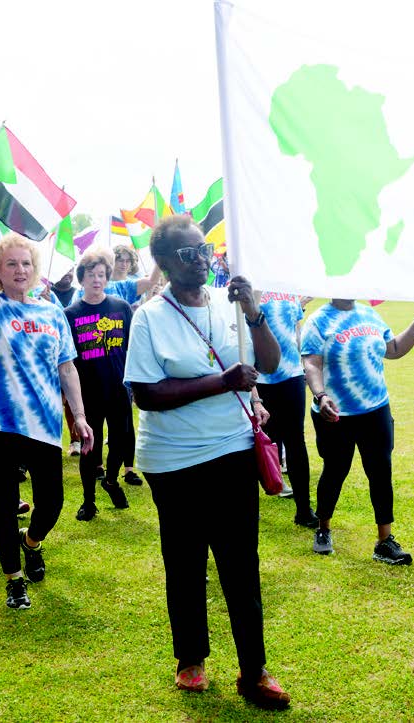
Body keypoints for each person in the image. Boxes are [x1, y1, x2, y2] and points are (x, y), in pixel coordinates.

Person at [124, 215, 289, 710]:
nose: (201, 260)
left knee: (241, 564)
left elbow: (272, 363)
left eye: (204, 250)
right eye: (188, 254)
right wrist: (224, 382)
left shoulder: (229, 302)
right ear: (165, 264)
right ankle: (191, 657)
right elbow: (147, 395)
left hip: (233, 449)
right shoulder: (149, 317)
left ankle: (254, 670)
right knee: (185, 560)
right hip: (172, 461)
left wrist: (255, 312)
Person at [0, 185, 93, 611]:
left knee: (52, 502)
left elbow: (67, 367)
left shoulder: (52, 313)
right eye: (11, 264)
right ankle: (13, 579)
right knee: (3, 506)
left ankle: (33, 541)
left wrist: (79, 416)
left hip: (45, 421)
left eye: (26, 263)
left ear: (35, 269)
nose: (20, 269)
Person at [300, 298, 414, 565]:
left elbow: (395, 348)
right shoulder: (318, 321)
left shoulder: (368, 314)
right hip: (335, 413)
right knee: (335, 470)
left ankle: (384, 542)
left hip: (375, 409)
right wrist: (321, 396)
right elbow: (312, 365)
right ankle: (323, 529)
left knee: (380, 472)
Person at [65, 248, 135, 518]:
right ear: (81, 278)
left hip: (119, 390)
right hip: (88, 394)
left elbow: (131, 349)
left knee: (119, 442)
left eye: (102, 275)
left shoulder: (121, 308)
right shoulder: (70, 314)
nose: (97, 280)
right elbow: (67, 359)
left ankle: (112, 480)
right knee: (89, 449)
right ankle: (88, 501)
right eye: (92, 275)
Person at [255, 291, 316, 527]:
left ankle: (303, 510)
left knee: (295, 442)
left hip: (291, 375)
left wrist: (302, 365)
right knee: (258, 442)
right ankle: (249, 508)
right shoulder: (251, 286)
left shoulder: (287, 288)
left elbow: (295, 329)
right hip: (260, 378)